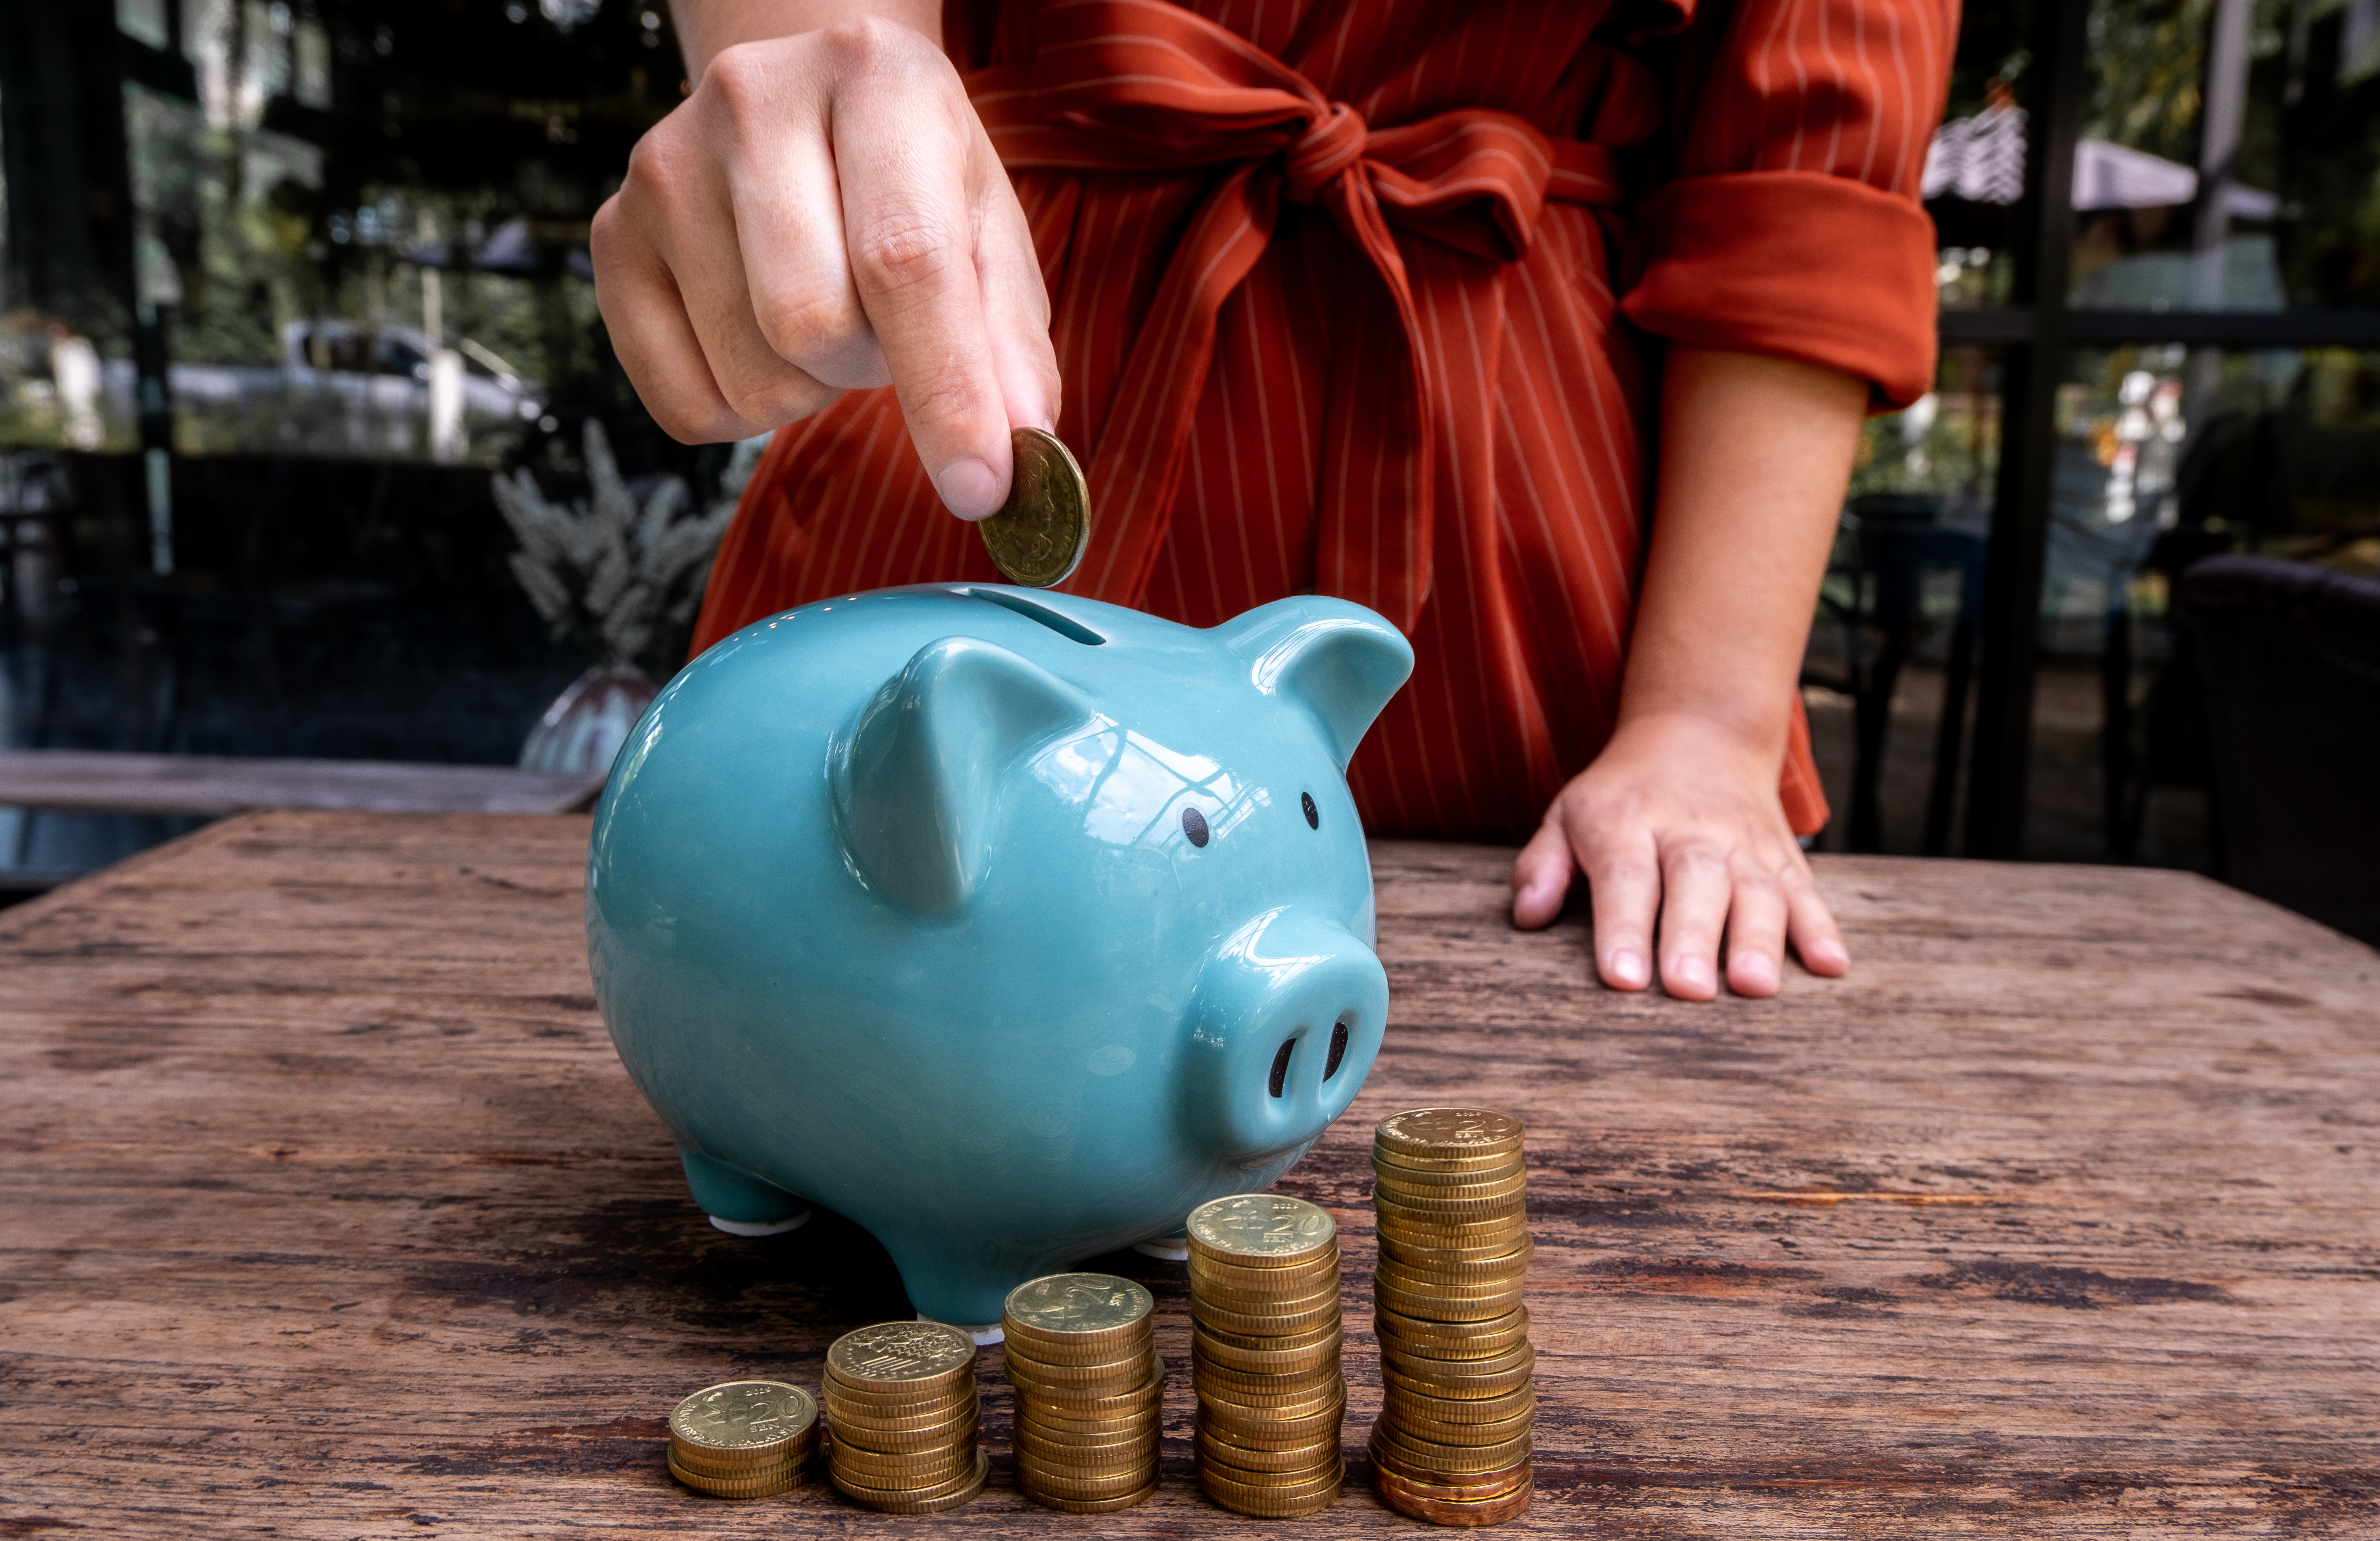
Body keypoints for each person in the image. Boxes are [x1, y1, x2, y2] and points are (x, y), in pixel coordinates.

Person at [593, 0, 1957, 1001]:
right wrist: (808, 81)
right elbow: (819, 52)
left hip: (1525, 574)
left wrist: (1705, 723)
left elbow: (1800, 193)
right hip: (959, 424)